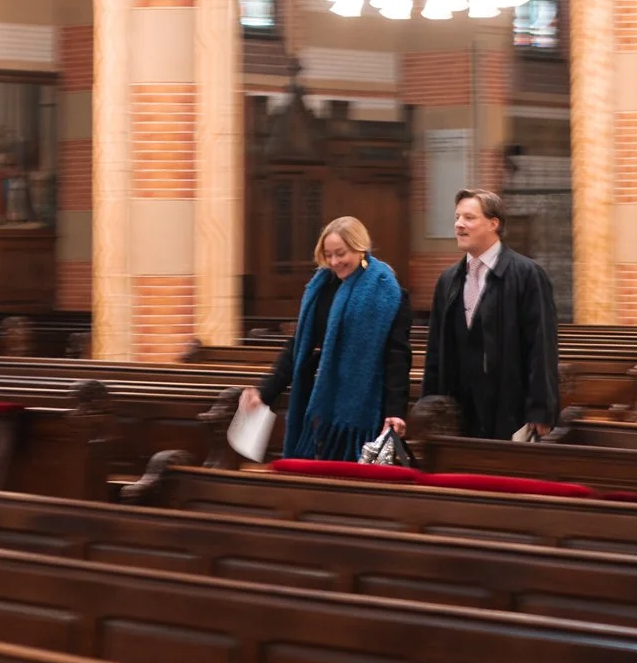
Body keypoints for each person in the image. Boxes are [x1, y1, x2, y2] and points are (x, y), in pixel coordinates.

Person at [238, 215, 411, 462]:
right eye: (328, 255)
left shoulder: (388, 291)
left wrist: (395, 412)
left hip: (366, 407)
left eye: (341, 253)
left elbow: (397, 357)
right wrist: (265, 392)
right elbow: (297, 347)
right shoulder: (321, 288)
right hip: (321, 399)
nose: (334, 261)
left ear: (360, 248)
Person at [421, 188, 559, 441]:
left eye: (469, 218)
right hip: (457, 407)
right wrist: (428, 406)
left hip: (507, 405)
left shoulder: (527, 275)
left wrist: (541, 409)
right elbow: (436, 350)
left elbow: (542, 346)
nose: (459, 225)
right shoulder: (448, 279)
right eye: (457, 217)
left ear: (494, 223)